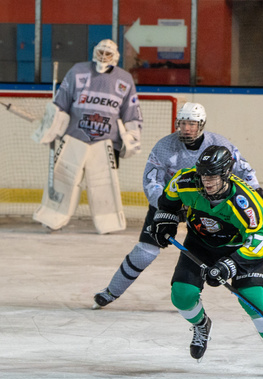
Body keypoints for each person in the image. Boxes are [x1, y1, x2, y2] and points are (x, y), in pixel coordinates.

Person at [94, 103, 259, 308]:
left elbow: (244, 171)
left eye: (192, 123)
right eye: (182, 123)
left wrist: (255, 193)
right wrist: (167, 209)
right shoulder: (164, 146)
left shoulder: (219, 143)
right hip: (171, 202)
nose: (186, 128)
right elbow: (151, 182)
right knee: (146, 250)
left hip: (208, 206)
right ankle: (111, 291)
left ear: (201, 124)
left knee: (239, 244)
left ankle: (194, 295)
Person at [149, 146, 263, 360]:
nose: (206, 181)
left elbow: (259, 239)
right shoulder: (185, 181)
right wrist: (165, 220)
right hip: (199, 244)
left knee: (255, 299)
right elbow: (168, 203)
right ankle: (201, 325)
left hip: (239, 248)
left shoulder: (246, 202)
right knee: (182, 296)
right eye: (203, 175)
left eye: (213, 176)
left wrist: (230, 264)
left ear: (226, 174)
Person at [32, 39, 142, 234]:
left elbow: (132, 112)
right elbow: (61, 103)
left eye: (108, 54)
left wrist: (133, 135)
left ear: (115, 56)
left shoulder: (124, 79)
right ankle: (52, 216)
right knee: (63, 178)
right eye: (101, 52)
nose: (103, 57)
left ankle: (109, 222)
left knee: (104, 184)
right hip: (74, 138)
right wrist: (52, 122)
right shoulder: (78, 71)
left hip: (107, 142)